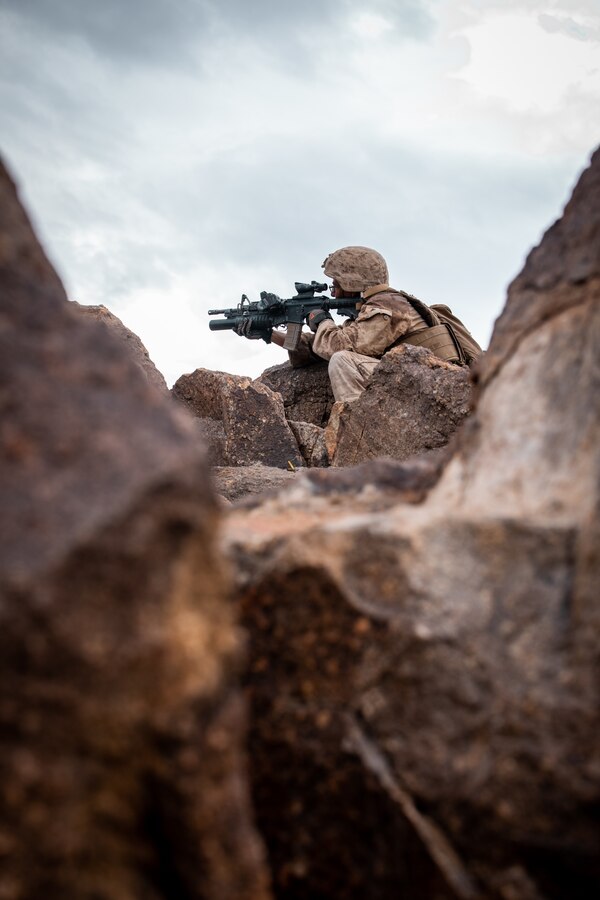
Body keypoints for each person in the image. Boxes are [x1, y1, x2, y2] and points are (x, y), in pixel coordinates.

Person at [247, 246, 481, 403]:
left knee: (342, 360)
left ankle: (357, 427)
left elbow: (340, 348)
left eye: (337, 283)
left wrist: (321, 320)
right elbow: (316, 349)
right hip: (419, 380)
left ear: (353, 280)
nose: (334, 290)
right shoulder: (372, 310)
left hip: (432, 384)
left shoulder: (388, 307)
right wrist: (269, 333)